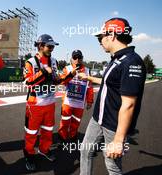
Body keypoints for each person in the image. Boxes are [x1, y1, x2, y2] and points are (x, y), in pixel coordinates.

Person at [78, 18, 146, 175]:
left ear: (112, 35)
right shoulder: (116, 59)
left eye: (100, 37)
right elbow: (110, 83)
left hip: (113, 125)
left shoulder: (131, 62)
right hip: (98, 119)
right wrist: (89, 78)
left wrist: (118, 140)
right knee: (85, 151)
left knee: (112, 165)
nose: (99, 41)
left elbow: (129, 104)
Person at [23, 34, 76, 171]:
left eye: (53, 46)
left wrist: (69, 75)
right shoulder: (30, 62)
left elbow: (56, 80)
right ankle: (29, 155)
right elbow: (27, 82)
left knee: (47, 130)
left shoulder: (54, 61)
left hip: (50, 103)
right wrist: (42, 72)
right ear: (40, 46)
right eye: (50, 46)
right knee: (31, 132)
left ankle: (44, 149)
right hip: (34, 105)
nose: (52, 49)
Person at [58, 50, 94, 144]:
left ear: (82, 58)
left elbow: (89, 88)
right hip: (68, 102)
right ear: (71, 59)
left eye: (79, 58)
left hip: (79, 104)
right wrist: (71, 74)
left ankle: (73, 135)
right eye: (75, 58)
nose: (77, 60)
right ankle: (62, 137)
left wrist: (90, 101)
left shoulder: (87, 71)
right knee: (65, 121)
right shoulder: (67, 68)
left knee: (76, 122)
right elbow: (61, 81)